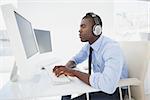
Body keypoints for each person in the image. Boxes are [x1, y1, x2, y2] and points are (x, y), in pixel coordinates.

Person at [53, 12, 128, 100]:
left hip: (114, 91)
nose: (79, 30)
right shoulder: (90, 46)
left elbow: (108, 85)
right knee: (66, 90)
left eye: (83, 26)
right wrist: (65, 68)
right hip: (100, 87)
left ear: (96, 29)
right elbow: (76, 59)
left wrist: (73, 72)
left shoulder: (111, 48)